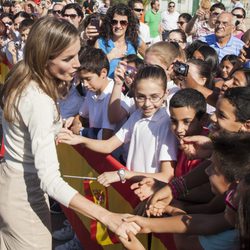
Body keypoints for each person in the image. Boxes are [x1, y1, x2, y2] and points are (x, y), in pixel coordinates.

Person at [0, 17, 140, 249]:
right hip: (24, 191)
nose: (77, 64)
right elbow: (51, 181)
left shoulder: (21, 79)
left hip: (11, 180)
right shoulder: (39, 100)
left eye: (77, 54)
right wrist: (108, 217)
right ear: (44, 58)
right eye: (67, 58)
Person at [123, 131, 250, 250]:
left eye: (214, 169)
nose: (206, 171)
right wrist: (149, 223)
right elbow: (205, 222)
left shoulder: (234, 233)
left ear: (236, 182)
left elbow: (187, 242)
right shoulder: (237, 198)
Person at [57, 65, 177, 185]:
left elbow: (166, 176)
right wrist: (78, 139)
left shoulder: (167, 125)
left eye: (154, 97)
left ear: (165, 93)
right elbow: (108, 145)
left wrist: (123, 174)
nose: (147, 104)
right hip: (134, 190)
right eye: (140, 97)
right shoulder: (137, 115)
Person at [95, 4, 146, 79]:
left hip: (130, 88)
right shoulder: (100, 43)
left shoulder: (135, 40)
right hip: (109, 89)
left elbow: (151, 59)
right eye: (114, 22)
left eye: (123, 22)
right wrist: (110, 56)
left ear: (129, 24)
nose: (118, 26)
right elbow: (94, 70)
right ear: (110, 23)